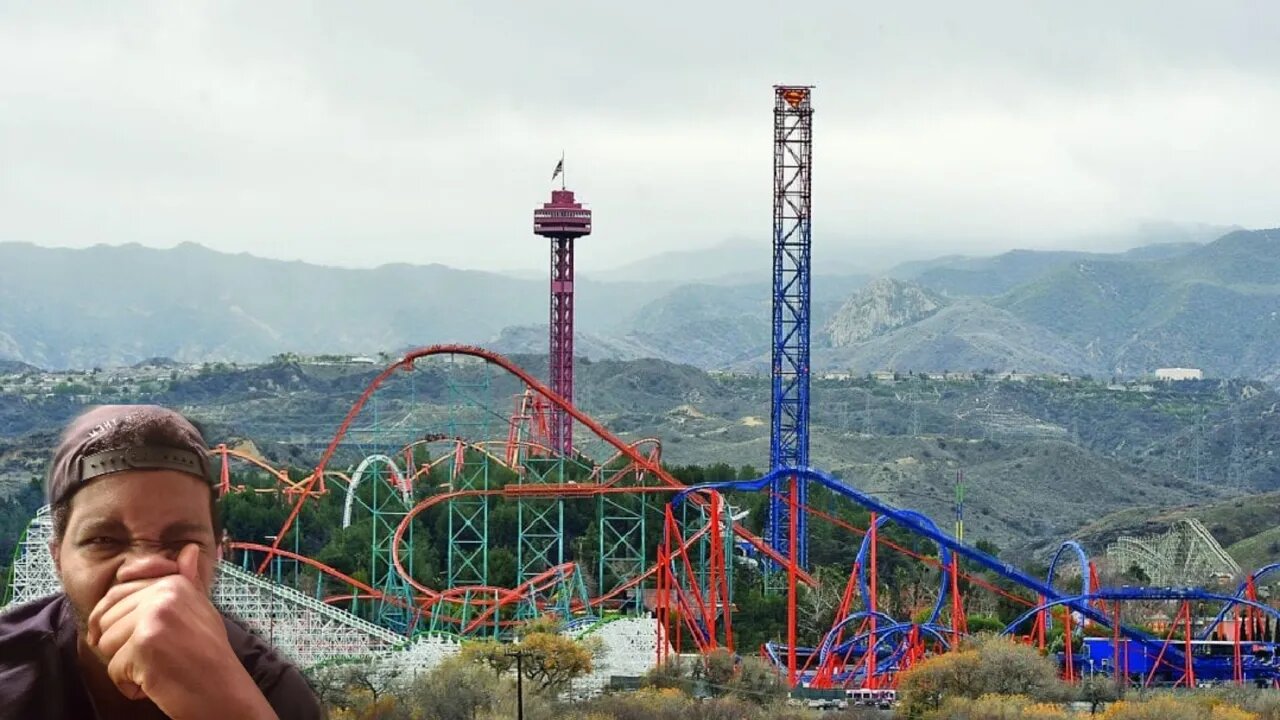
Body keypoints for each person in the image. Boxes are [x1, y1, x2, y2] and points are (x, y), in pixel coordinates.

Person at [0, 405, 324, 719]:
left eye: (181, 543)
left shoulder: (276, 693)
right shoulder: (10, 680)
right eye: (104, 541)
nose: (143, 567)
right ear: (57, 559)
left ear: (219, 554)